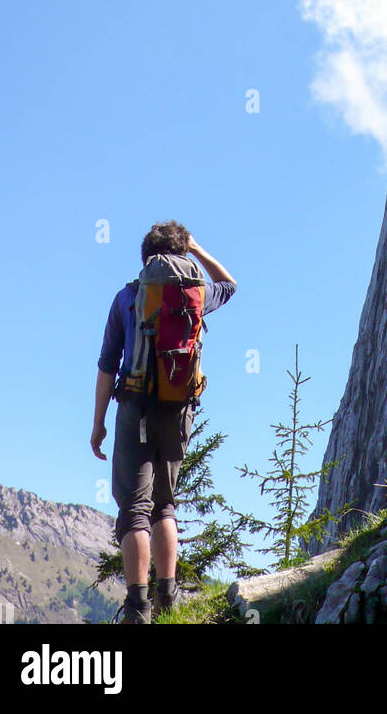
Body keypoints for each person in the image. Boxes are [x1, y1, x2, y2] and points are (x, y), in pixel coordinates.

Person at [91, 221, 237, 624]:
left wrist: (99, 422)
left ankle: (139, 609)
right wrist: (199, 249)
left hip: (134, 406)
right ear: (183, 254)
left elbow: (107, 364)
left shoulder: (128, 296)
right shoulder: (196, 294)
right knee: (165, 505)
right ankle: (168, 600)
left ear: (146, 258)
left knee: (134, 509)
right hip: (178, 410)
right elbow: (232, 284)